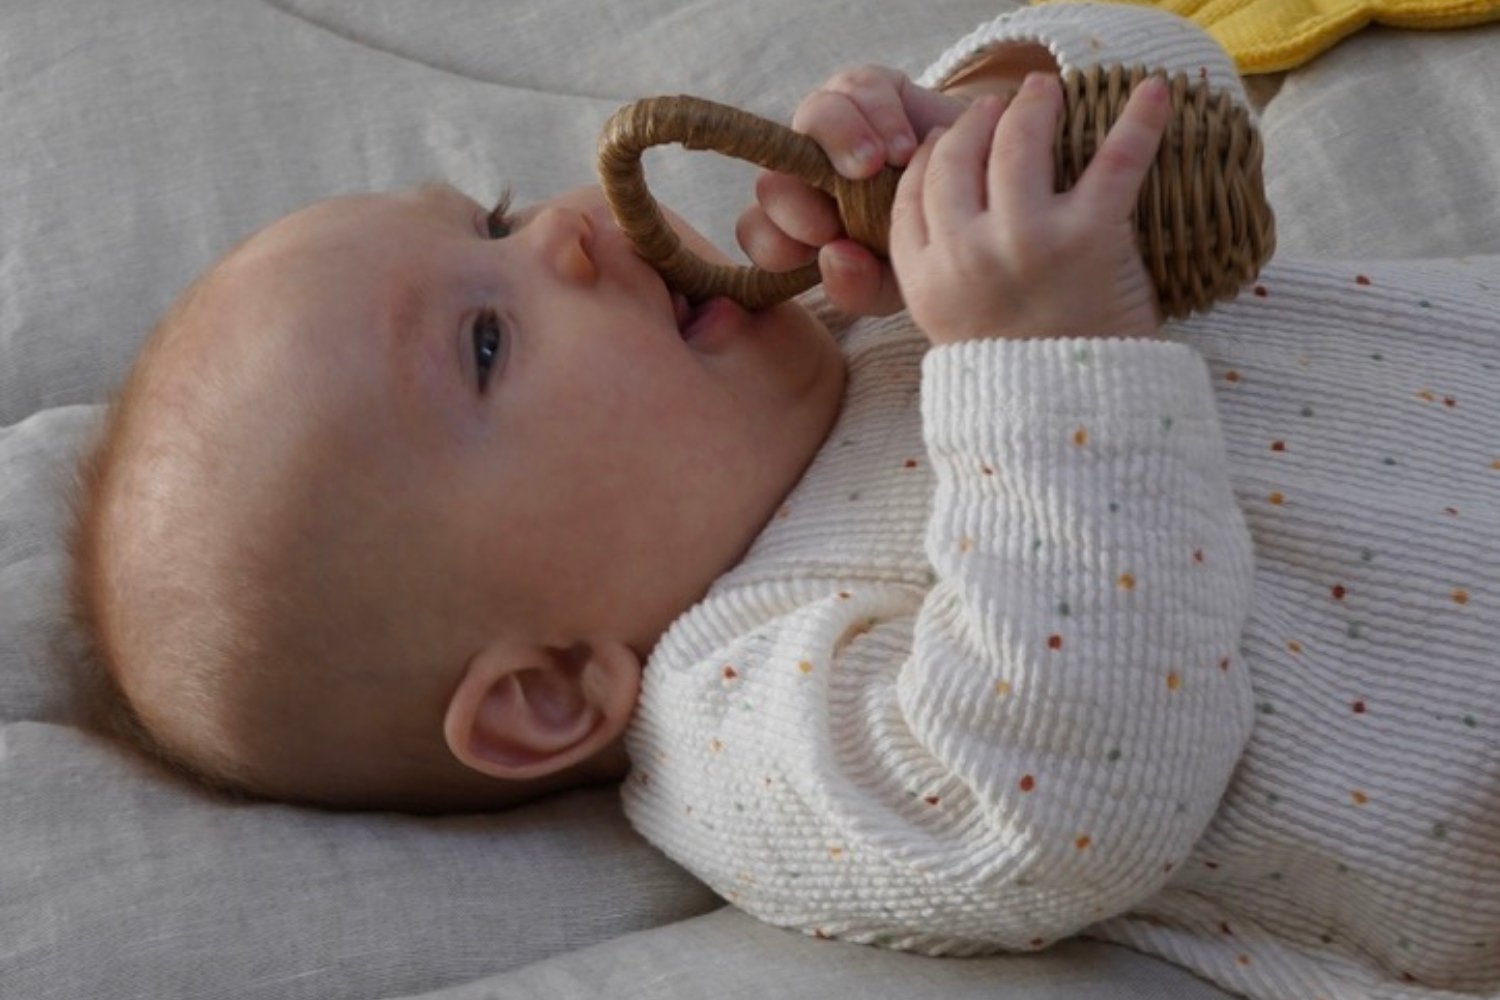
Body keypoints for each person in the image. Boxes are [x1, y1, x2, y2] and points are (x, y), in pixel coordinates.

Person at [69, 3, 1497, 998]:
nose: (568, 232)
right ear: (552, 689)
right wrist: (1044, 358)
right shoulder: (741, 709)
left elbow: (1184, 117)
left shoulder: (883, 305)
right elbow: (1050, 798)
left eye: (497, 221)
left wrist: (986, 120)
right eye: (485, 343)